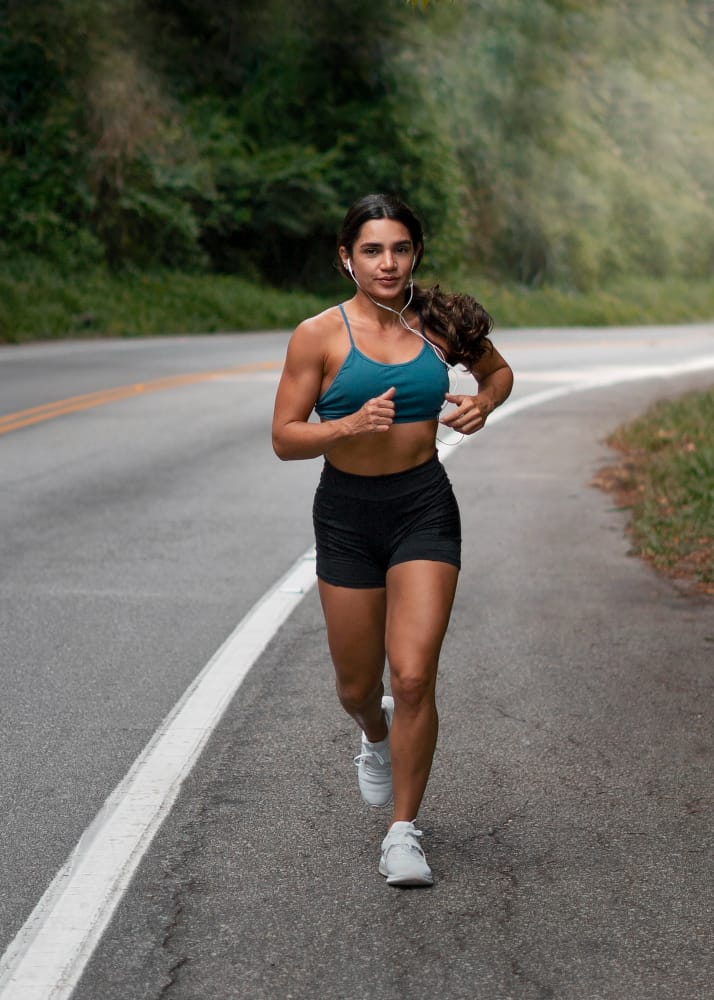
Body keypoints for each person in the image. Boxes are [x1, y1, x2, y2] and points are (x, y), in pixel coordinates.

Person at [272, 193, 513, 887]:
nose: (387, 262)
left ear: (415, 254)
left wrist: (483, 403)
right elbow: (285, 437)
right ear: (346, 258)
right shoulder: (318, 335)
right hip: (346, 515)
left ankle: (402, 833)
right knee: (358, 686)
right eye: (372, 250)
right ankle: (372, 733)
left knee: (411, 675)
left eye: (400, 249)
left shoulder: (440, 324)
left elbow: (497, 372)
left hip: (423, 508)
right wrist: (347, 425)